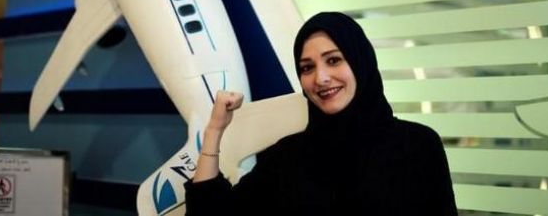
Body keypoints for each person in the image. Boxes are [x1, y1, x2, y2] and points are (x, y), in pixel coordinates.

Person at [184, 12, 457, 215]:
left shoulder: (418, 145)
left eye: (334, 60)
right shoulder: (286, 157)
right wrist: (215, 130)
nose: (321, 78)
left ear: (360, 62)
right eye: (307, 67)